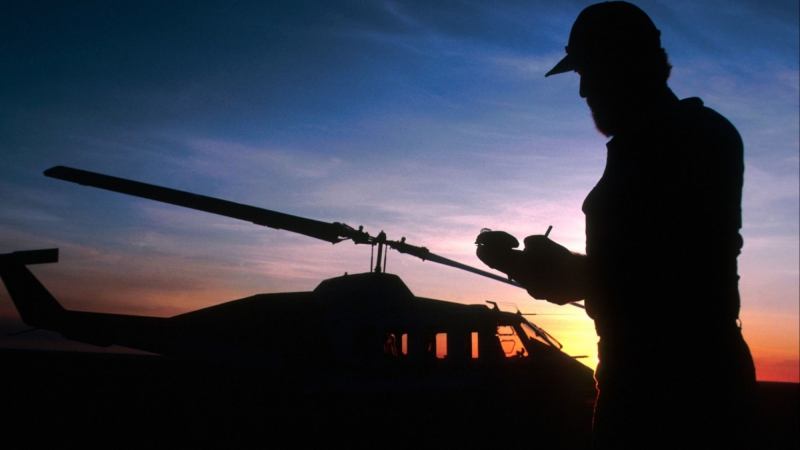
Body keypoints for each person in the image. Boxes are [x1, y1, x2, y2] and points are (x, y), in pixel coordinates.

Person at [476, 2, 757, 449]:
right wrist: (546, 268)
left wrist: (543, 269)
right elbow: (636, 266)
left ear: (632, 64)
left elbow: (664, 279)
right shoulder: (667, 141)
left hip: (674, 391)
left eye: (591, 72)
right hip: (651, 379)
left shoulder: (689, 141)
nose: (583, 90)